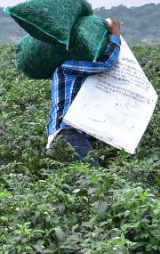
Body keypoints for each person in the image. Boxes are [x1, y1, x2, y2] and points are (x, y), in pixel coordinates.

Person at [49, 18, 123, 165]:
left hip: (67, 134)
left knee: (75, 179)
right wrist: (115, 35)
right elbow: (106, 64)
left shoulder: (68, 67)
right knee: (93, 176)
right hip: (68, 133)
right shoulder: (68, 66)